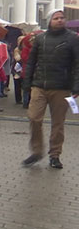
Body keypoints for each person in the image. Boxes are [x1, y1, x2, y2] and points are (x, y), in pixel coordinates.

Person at [22, 9, 79, 169]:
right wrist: (28, 83)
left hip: (61, 87)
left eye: (62, 18)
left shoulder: (73, 39)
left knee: (58, 124)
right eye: (56, 18)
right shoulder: (40, 38)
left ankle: (55, 155)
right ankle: (36, 151)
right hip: (39, 85)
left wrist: (76, 86)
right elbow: (31, 62)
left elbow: (77, 64)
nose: (60, 20)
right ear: (49, 21)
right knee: (34, 117)